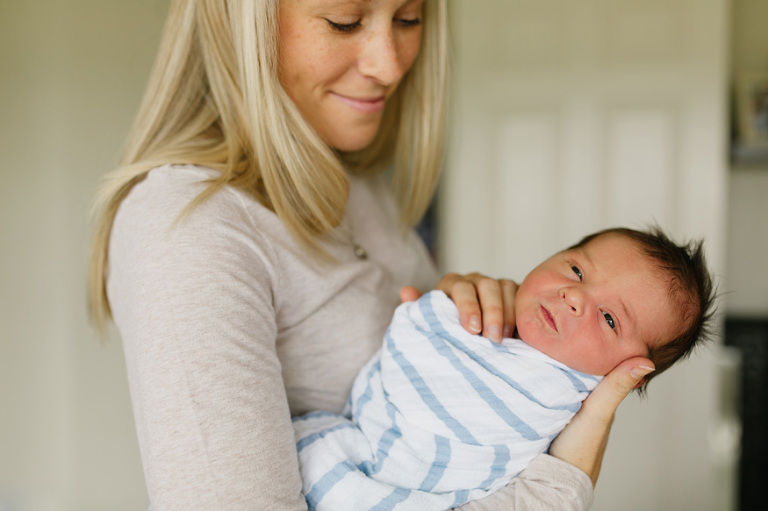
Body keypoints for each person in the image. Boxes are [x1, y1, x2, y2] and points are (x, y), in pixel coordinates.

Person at [87, 1, 658, 509]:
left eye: (409, 19)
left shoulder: (355, 182)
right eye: (344, 20)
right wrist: (561, 482)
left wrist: (475, 322)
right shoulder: (188, 227)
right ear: (240, 18)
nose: (389, 65)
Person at [293, 227, 716, 510]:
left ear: (628, 370)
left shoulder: (562, 396)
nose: (574, 296)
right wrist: (435, 315)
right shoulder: (475, 316)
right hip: (351, 439)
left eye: (609, 319)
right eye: (576, 269)